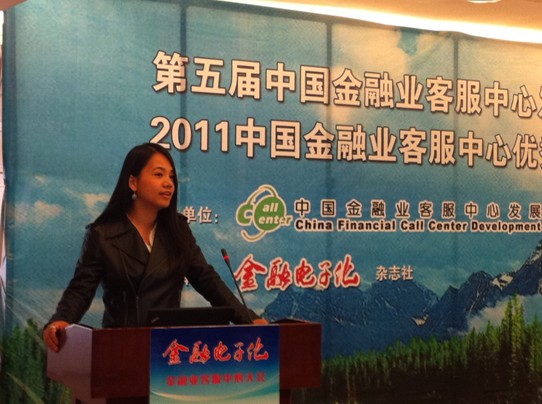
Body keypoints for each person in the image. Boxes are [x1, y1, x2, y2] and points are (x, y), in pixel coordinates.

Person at [43, 142, 266, 352]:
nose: (169, 183)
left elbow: (207, 280)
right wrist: (61, 320)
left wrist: (248, 319)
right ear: (133, 183)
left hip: (169, 350)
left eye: (171, 177)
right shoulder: (103, 235)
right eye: (159, 175)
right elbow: (81, 290)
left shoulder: (178, 231)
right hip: (121, 350)